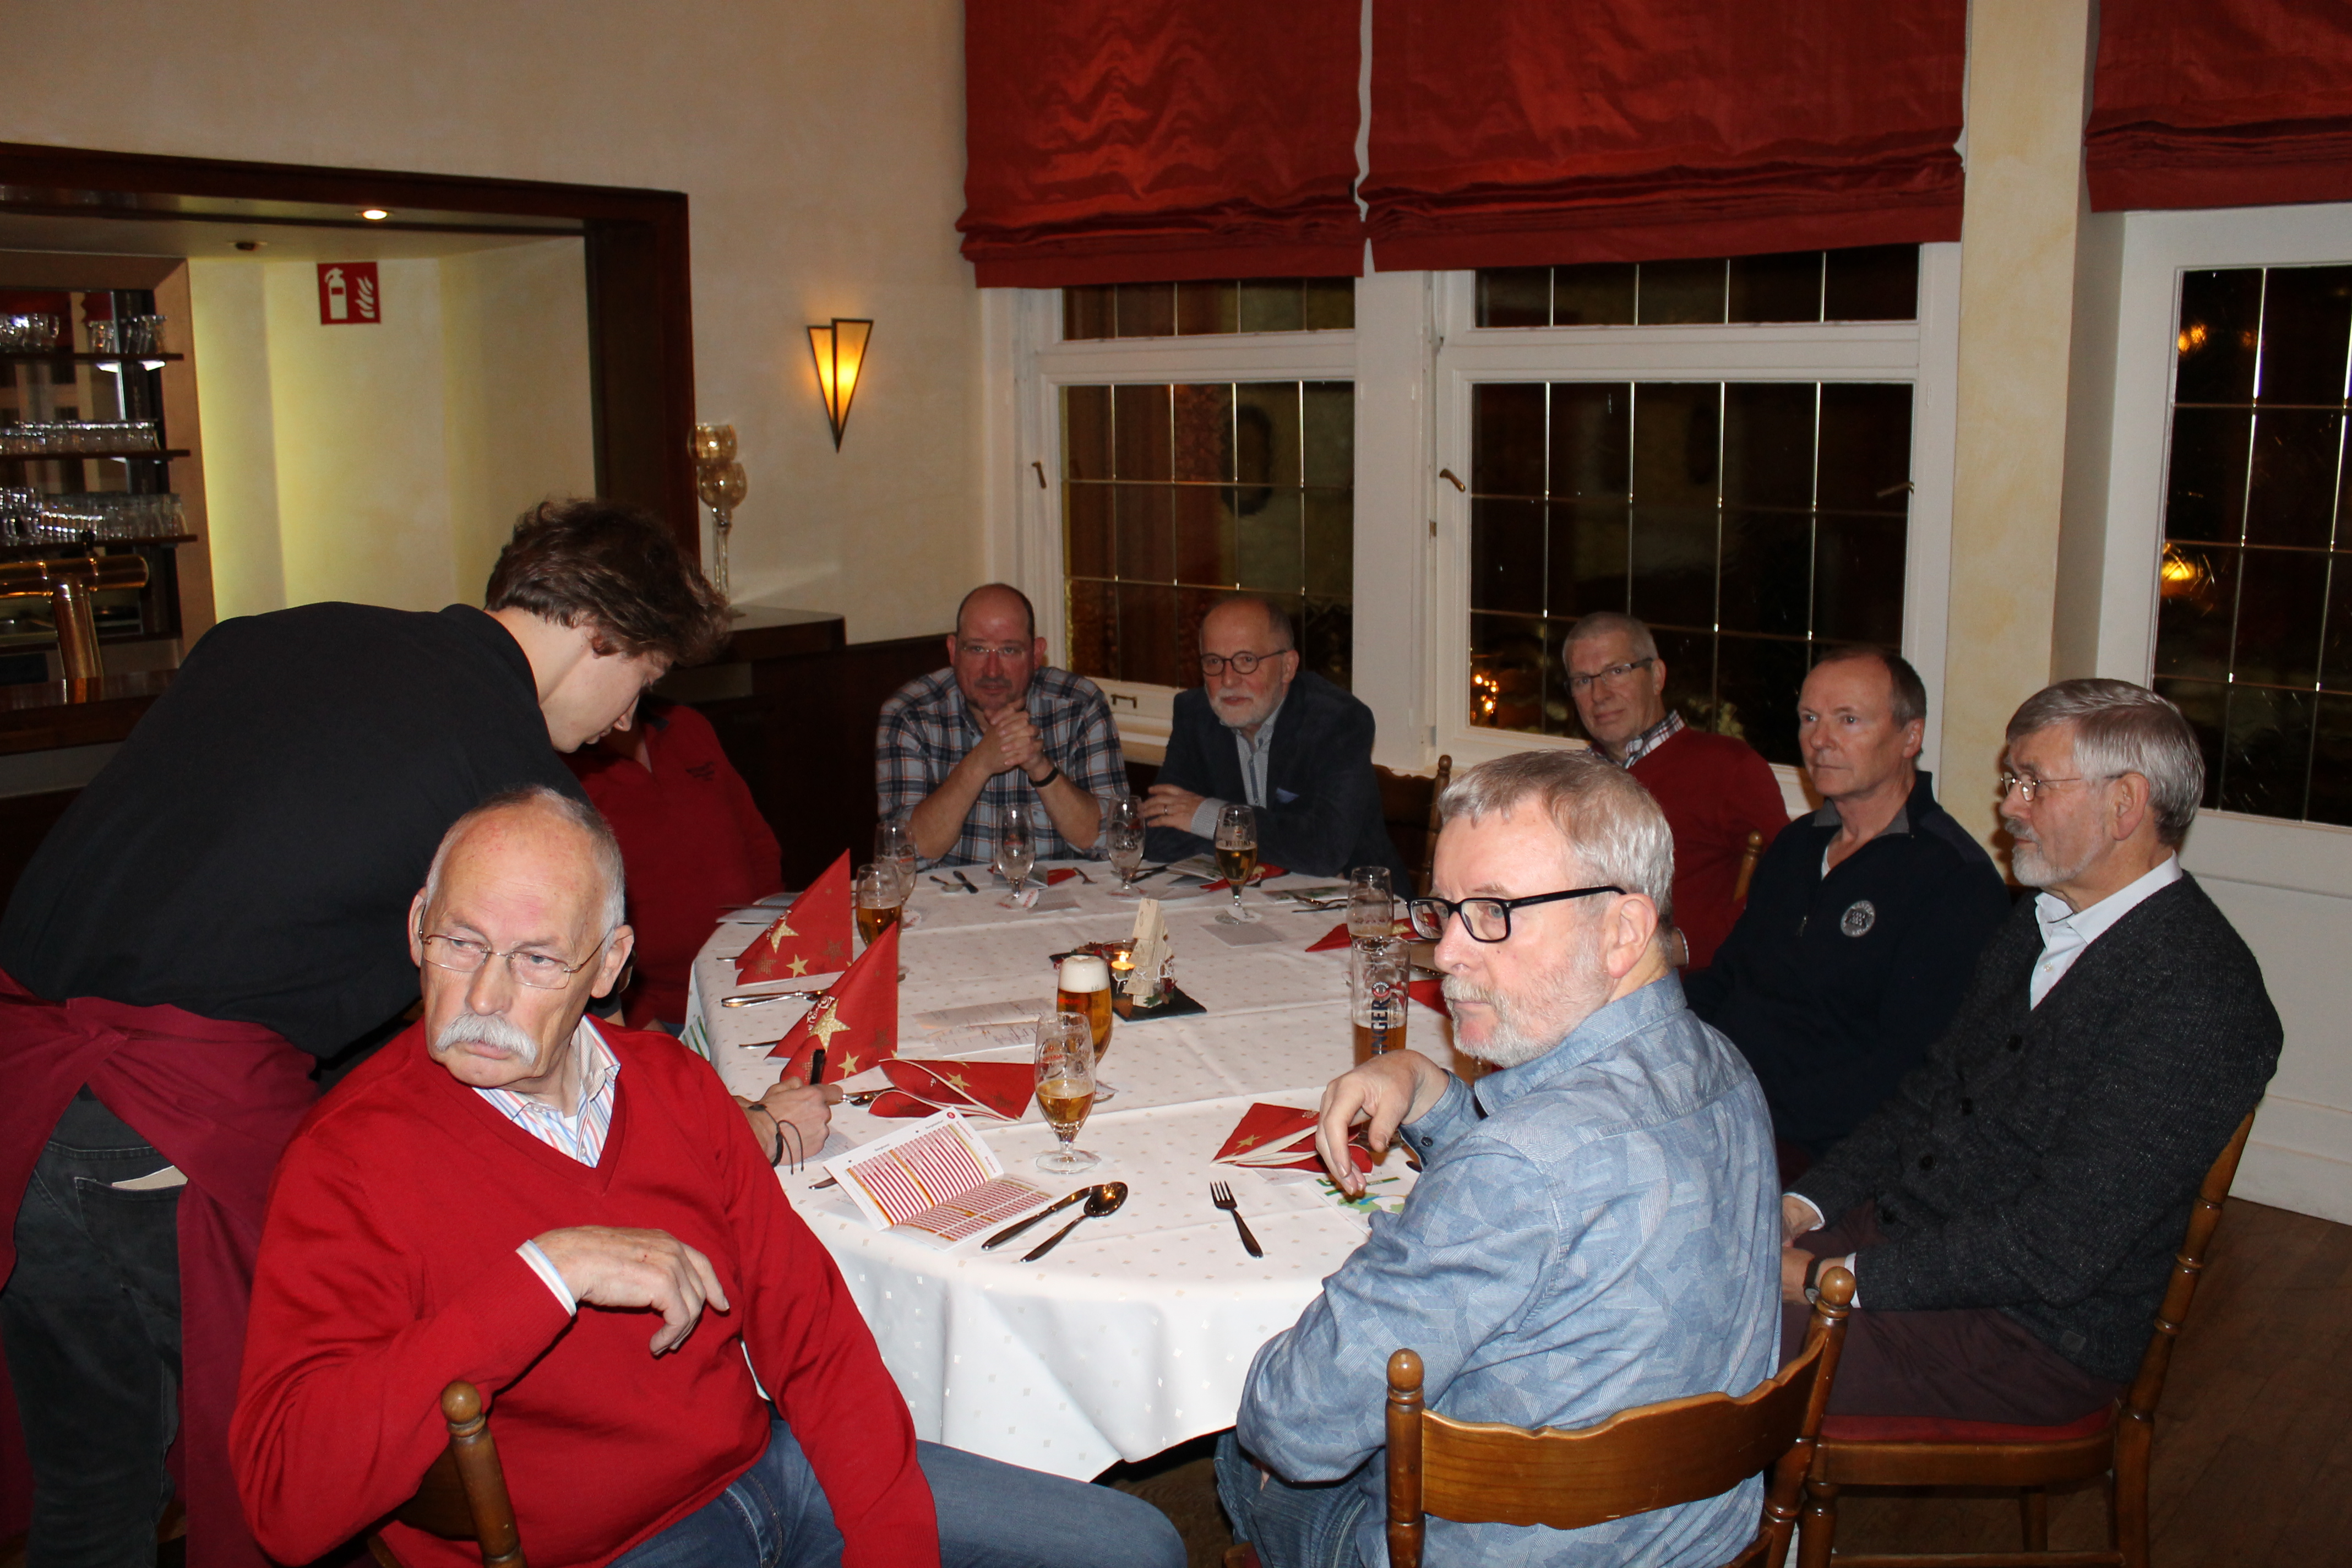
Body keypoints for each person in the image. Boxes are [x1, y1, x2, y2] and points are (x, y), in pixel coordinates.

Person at [0, 498, 733, 1568]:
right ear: (601, 632)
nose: (628, 721)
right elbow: (571, 1036)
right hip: (165, 1125)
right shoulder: (505, 773)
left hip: (18, 1088)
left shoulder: (282, 631)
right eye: (644, 680)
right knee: (308, 1463)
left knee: (95, 1481)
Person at [231, 787, 1183, 1568]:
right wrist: (546, 1274)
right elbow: (285, 1504)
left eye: (536, 959)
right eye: (461, 943)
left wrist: (889, 1544)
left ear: (608, 965)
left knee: (1136, 1546)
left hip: (768, 1474)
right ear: (416, 928)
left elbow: (814, 1338)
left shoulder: (671, 1085)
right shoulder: (348, 1159)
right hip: (612, 1551)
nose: (483, 994)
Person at [1219, 750, 1778, 1568]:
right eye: (1445, 911)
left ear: (1621, 931)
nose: (1447, 953)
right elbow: (1563, 1198)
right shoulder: (1725, 1068)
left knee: (1244, 1450)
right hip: (1698, 1539)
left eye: (1494, 912)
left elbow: (1295, 1425)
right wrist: (1431, 1091)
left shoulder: (1522, 1167)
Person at [1780, 680, 2280, 1423]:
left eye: (2034, 784)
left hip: (2034, 1335)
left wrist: (1830, 1278)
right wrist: (1804, 1203)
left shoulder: (2199, 995)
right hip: (1912, 1245)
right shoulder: (2040, 920)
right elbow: (1929, 1093)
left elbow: (2057, 1247)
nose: (2009, 807)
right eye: (2012, 781)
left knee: (1715, 1346)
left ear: (2125, 804)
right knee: (1688, 1275)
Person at [1686, 646, 2010, 1167]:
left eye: (1849, 720)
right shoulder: (1796, 846)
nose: (1820, 739)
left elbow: (1909, 1071)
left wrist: (1737, 1113)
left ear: (1911, 737)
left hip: (1819, 1150)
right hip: (1719, 1102)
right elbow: (1729, 978)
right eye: (1809, 718)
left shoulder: (1953, 880)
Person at [1563, 612, 1790, 969]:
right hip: (1578, 974)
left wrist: (1685, 946)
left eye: (1617, 671)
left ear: (1657, 676)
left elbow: (1791, 883)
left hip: (1679, 985)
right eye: (1582, 681)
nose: (1599, 695)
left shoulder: (1728, 767)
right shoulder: (1571, 781)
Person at [1141, 595, 1411, 882]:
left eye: (1247, 660)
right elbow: (1157, 836)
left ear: (1288, 667)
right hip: (1244, 896)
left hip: (1357, 899)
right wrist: (1276, 843)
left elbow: (1324, 851)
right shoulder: (1195, 715)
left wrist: (1212, 819)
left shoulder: (1338, 721)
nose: (1228, 680)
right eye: (1214, 661)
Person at [565, 695, 781, 1031]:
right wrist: (637, 1018)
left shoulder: (687, 725)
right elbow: (577, 923)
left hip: (757, 976)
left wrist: (773, 940)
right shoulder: (564, 766)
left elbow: (757, 842)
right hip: (663, 1012)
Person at [876, 583, 1127, 867]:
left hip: (1058, 891)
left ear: (1036, 655)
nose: (992, 670)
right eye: (977, 649)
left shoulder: (1080, 704)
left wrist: (1040, 767)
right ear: (953, 651)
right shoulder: (910, 714)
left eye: (1009, 650)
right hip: (949, 893)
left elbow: (1114, 842)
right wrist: (980, 763)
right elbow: (902, 855)